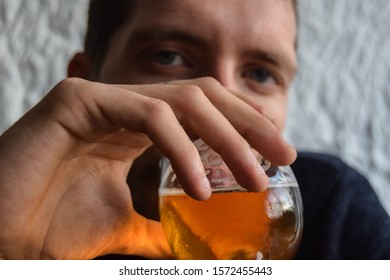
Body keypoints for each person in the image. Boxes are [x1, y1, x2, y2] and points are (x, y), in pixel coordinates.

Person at [0, 0, 388, 260]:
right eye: (168, 56)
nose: (217, 101)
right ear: (88, 81)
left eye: (259, 74)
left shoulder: (331, 208)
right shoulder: (30, 217)